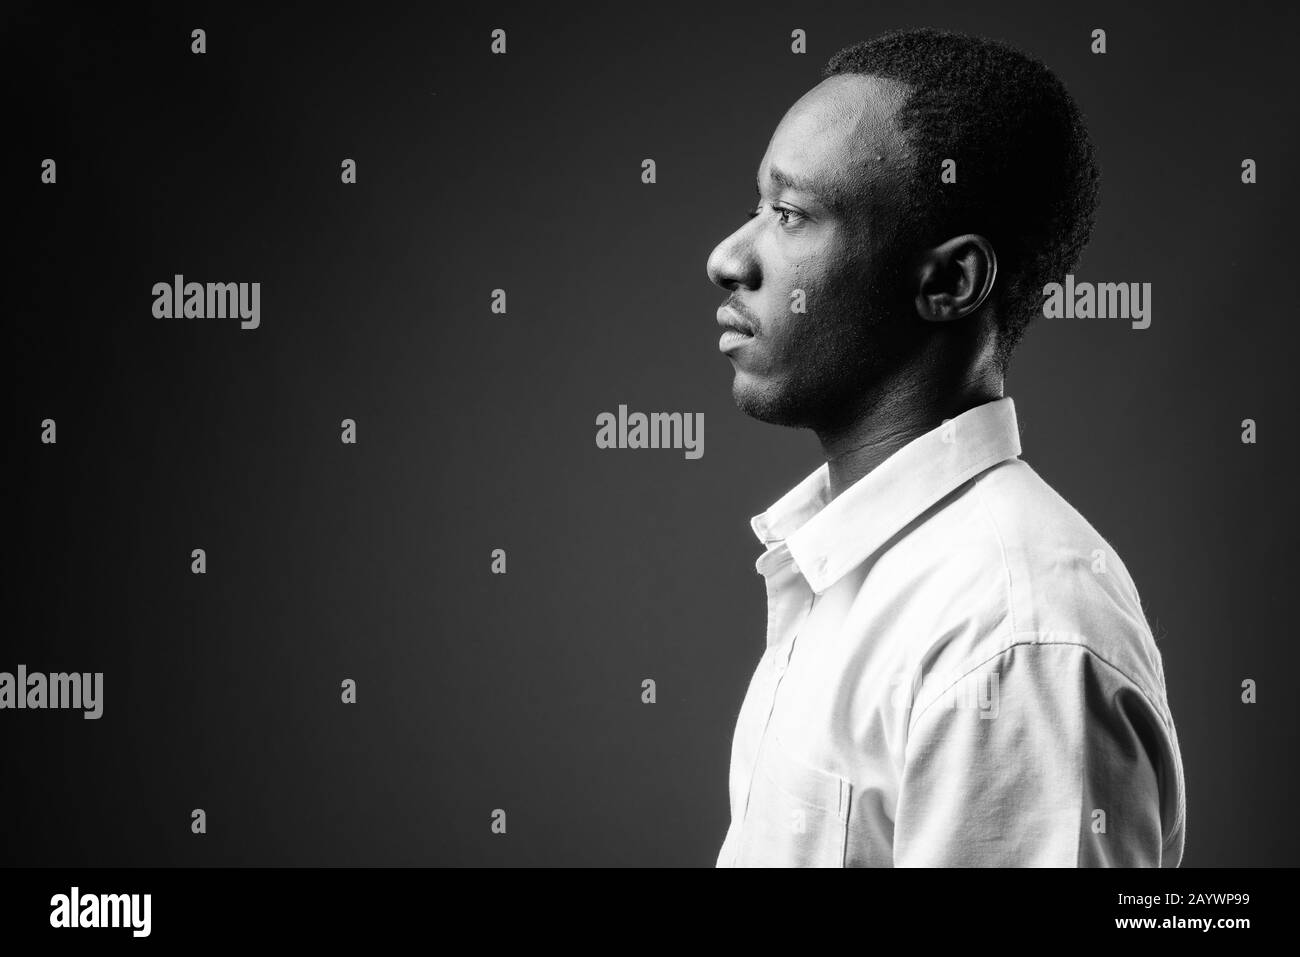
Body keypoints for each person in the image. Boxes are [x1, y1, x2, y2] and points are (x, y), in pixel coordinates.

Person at [707, 27, 1185, 867]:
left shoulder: (1012, 633)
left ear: (951, 281)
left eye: (789, 215)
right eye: (757, 207)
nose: (728, 257)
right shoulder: (851, 573)